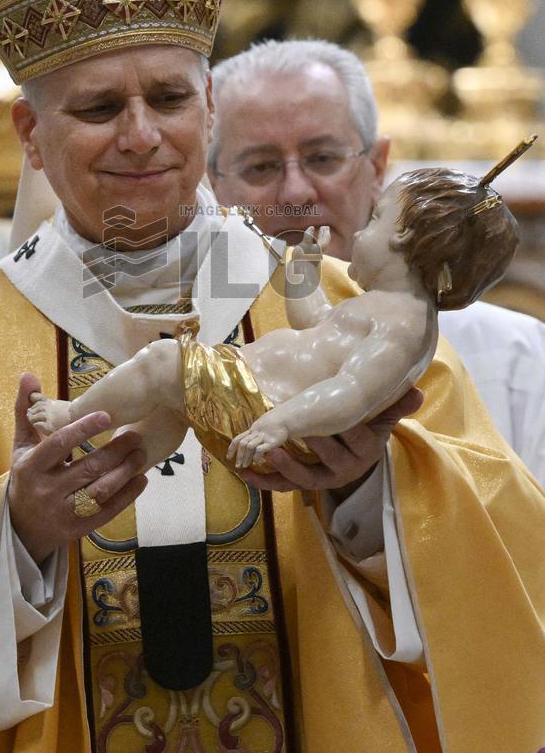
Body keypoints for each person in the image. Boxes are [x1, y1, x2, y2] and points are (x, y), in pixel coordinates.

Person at [0, 0, 543, 753]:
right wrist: (11, 531)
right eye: (98, 108)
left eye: (169, 98)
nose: (141, 137)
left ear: (210, 111)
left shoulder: (351, 316)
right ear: (28, 133)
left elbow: (508, 567)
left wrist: (364, 498)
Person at [27, 164, 521, 474]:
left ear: (410, 243)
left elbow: (353, 392)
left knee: (161, 363)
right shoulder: (381, 308)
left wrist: (279, 424)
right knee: (170, 409)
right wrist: (303, 273)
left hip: (267, 410)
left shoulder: (404, 325)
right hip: (257, 397)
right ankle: (110, 471)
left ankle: (72, 416)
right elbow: (315, 324)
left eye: (375, 220)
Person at [209, 38, 545, 485]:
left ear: (378, 168)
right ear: (212, 186)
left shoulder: (514, 357)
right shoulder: (191, 342)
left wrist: (367, 494)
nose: (296, 193)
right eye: (260, 167)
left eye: (323, 159)